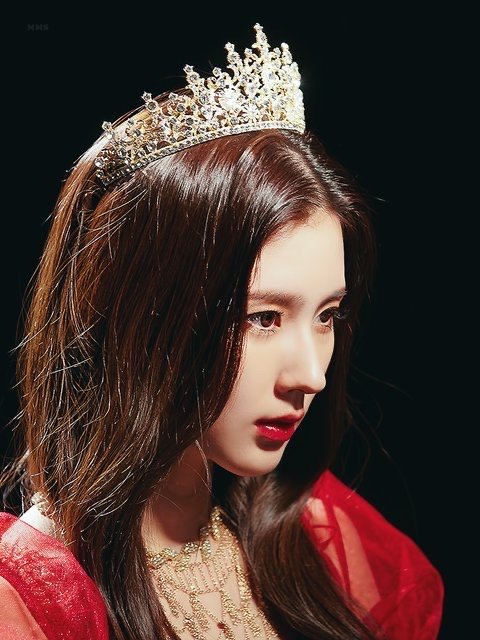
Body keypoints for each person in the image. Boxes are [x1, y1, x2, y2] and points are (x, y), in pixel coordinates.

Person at [0, 23, 443, 640]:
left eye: (327, 315)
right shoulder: (30, 599)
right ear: (145, 315)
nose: (311, 375)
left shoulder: (319, 538)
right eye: (264, 318)